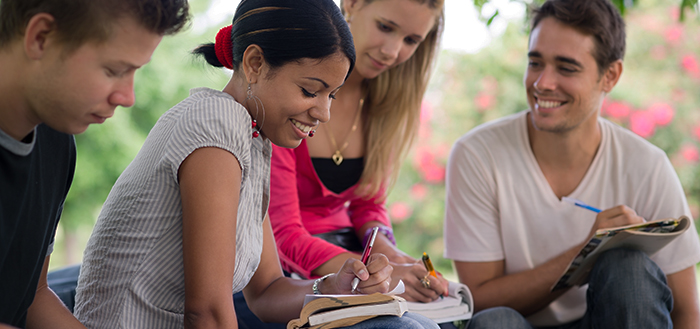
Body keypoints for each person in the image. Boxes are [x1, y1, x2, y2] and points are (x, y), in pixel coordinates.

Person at [73, 1, 438, 328]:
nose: (324, 112)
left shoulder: (254, 139)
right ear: (254, 63)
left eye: (332, 94)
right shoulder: (215, 124)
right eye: (311, 91)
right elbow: (208, 313)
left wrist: (335, 286)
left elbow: (266, 293)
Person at [443, 0, 700, 328]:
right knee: (496, 321)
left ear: (610, 75)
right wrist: (586, 254)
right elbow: (479, 299)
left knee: (628, 269)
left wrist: (608, 252)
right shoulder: (477, 154)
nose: (542, 83)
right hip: (518, 323)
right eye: (536, 62)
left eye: (566, 68)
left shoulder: (647, 165)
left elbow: (687, 313)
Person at [0, 0, 190, 327]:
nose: (127, 97)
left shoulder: (56, 143)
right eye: (114, 71)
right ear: (41, 37)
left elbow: (32, 294)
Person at [266, 0, 448, 303]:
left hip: (351, 257)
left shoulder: (384, 104)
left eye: (411, 40)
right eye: (386, 27)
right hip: (283, 269)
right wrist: (375, 273)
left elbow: (368, 204)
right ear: (351, 4)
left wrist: (389, 254)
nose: (392, 51)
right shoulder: (290, 86)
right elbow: (282, 233)